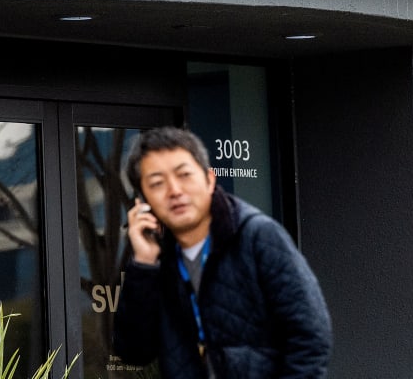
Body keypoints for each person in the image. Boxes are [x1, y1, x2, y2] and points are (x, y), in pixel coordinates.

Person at [113, 126, 332, 379]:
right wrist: (144, 264)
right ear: (143, 201)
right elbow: (133, 352)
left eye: (184, 175)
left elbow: (311, 338)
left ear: (210, 179)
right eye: (157, 183)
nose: (174, 190)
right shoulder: (160, 260)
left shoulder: (257, 236)